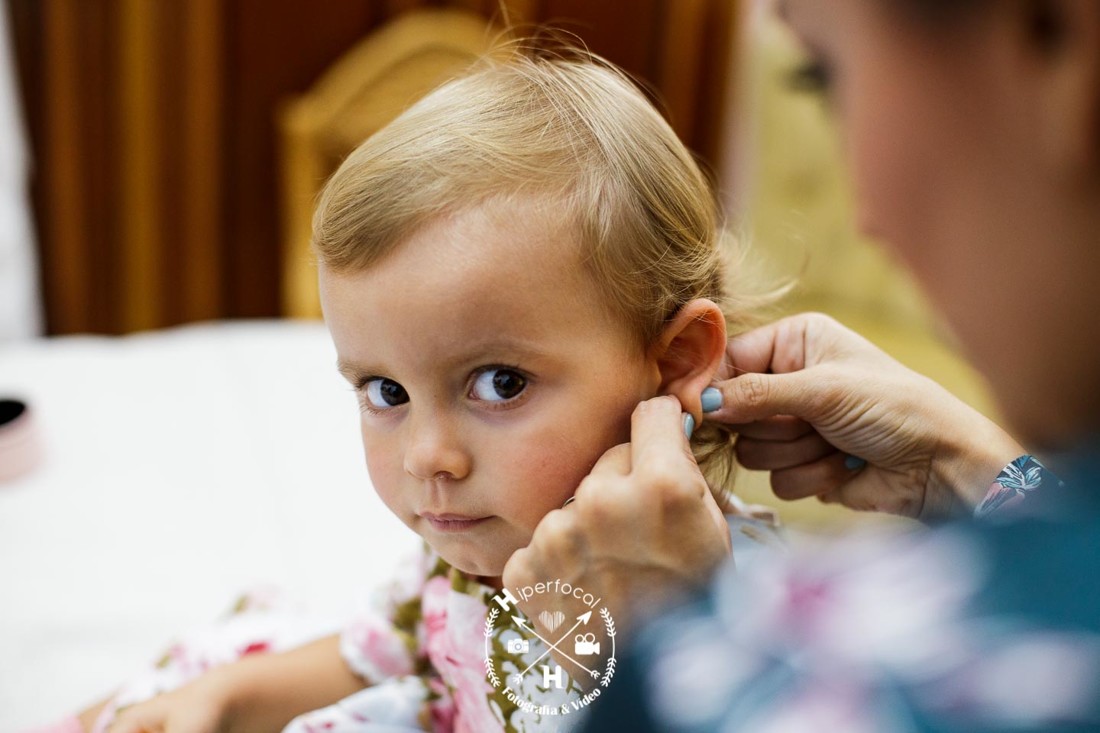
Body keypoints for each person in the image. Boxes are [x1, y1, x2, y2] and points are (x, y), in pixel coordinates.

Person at [41, 48, 780, 733]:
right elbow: (383, 649)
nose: (429, 457)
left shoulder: (739, 614)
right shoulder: (470, 544)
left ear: (677, 360)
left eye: (501, 382)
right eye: (387, 391)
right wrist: (224, 696)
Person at [503, 0, 1100, 730]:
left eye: (828, 74)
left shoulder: (808, 670)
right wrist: (978, 469)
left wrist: (658, 651)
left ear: (1066, 41)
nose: (867, 220)